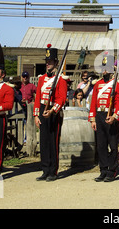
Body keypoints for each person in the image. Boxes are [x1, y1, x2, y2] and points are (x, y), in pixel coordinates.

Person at [88, 54, 119, 182]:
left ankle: (112, 170)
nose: (104, 70)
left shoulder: (118, 84)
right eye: (102, 67)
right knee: (101, 145)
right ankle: (103, 169)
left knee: (113, 145)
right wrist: (93, 119)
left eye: (107, 67)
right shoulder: (97, 84)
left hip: (111, 116)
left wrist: (115, 117)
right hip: (99, 115)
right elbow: (93, 103)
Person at [34, 44, 68, 182]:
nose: (48, 64)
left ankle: (53, 171)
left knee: (53, 142)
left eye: (50, 62)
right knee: (44, 142)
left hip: (54, 111)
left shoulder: (61, 79)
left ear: (56, 63)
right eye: (46, 62)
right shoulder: (41, 79)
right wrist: (36, 115)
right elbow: (37, 97)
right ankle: (45, 169)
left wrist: (53, 110)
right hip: (43, 109)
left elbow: (62, 97)